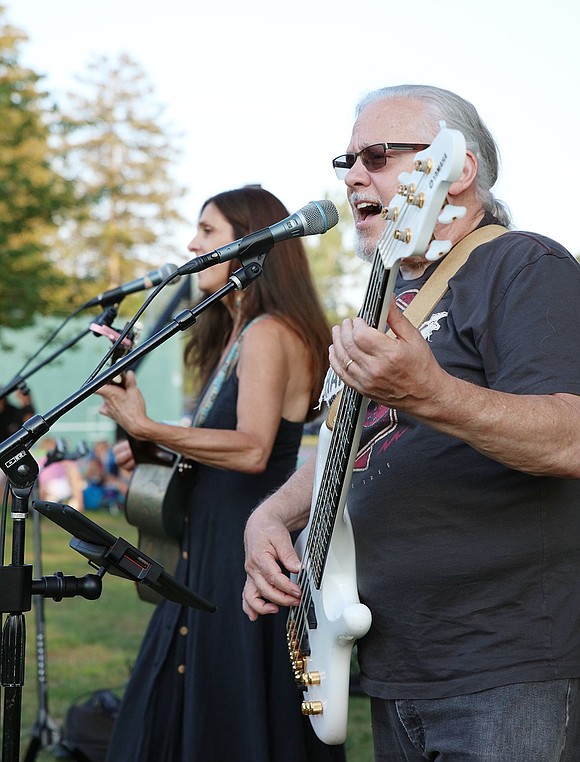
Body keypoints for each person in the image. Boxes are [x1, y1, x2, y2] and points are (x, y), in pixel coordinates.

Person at [242, 85, 580, 761]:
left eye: (378, 155)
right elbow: (352, 445)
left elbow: (569, 438)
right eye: (347, 161)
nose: (354, 176)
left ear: (456, 171)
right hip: (395, 663)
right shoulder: (394, 300)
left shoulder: (522, 265)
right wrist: (271, 517)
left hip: (504, 664)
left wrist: (430, 394)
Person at [96, 186, 344, 761]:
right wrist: (156, 448)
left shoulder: (268, 331)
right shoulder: (236, 329)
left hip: (243, 543)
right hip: (211, 540)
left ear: (252, 242)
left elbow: (254, 450)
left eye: (207, 232)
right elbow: (221, 441)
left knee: (233, 705)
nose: (191, 245)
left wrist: (153, 429)